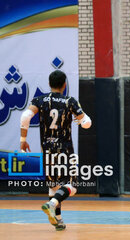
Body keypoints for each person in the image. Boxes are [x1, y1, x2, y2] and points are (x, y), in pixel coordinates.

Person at [19, 70, 92, 231]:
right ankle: (51, 204)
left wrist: (23, 140)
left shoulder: (39, 100)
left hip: (47, 149)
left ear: (49, 83)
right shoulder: (69, 101)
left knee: (53, 185)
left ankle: (57, 219)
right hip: (64, 149)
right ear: (64, 84)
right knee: (71, 186)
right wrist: (83, 121)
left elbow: (25, 117)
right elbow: (87, 123)